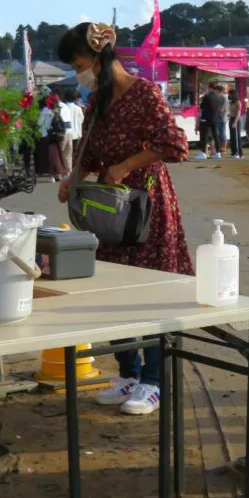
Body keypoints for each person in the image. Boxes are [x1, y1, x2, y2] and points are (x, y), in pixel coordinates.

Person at [57, 22, 191, 416]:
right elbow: (89, 152)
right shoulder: (96, 101)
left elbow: (175, 144)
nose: (78, 74)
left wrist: (126, 165)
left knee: (151, 293)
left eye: (79, 65)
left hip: (146, 207)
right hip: (108, 212)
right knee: (114, 291)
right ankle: (128, 373)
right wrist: (74, 177)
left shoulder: (144, 93)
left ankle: (154, 381)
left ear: (98, 58)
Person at [39, 93, 68, 182]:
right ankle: (58, 174)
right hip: (58, 136)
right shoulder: (58, 110)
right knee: (57, 154)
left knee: (52, 156)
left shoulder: (46, 111)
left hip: (48, 136)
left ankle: (57, 174)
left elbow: (40, 123)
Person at [195, 81, 216, 159]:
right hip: (213, 119)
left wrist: (197, 123)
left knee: (204, 136)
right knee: (211, 137)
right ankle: (213, 153)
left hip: (205, 119)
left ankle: (204, 153)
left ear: (209, 88)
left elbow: (201, 109)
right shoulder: (216, 97)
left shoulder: (206, 97)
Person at [228, 85, 246, 159]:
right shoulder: (231, 102)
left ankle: (238, 153)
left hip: (236, 119)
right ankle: (234, 152)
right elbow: (231, 111)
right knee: (232, 137)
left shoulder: (238, 102)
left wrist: (235, 122)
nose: (229, 95)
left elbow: (238, 113)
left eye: (230, 94)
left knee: (236, 137)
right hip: (231, 118)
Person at [213, 83, 229, 160]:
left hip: (222, 118)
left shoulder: (224, 98)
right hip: (217, 118)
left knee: (222, 133)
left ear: (219, 91)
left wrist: (214, 108)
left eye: (216, 91)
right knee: (218, 134)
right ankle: (220, 148)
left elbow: (221, 109)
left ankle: (224, 148)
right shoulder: (217, 98)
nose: (215, 93)